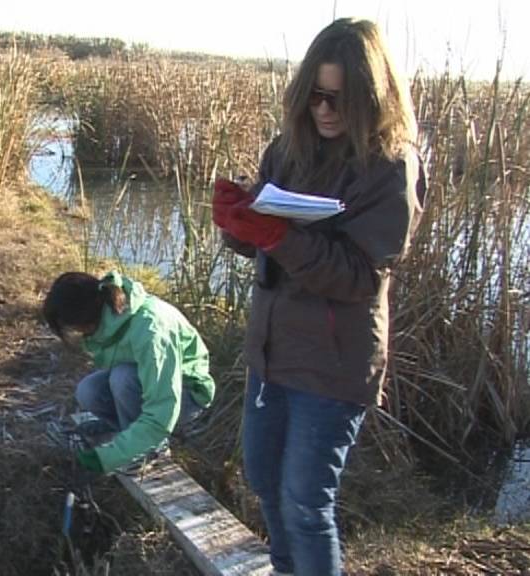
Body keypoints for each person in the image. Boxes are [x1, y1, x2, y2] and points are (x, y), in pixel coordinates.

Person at [212, 18, 426, 576]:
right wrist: (238, 223)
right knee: (264, 482)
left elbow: (359, 276)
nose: (324, 110)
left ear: (371, 97)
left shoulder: (391, 167)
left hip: (334, 364)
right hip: (272, 352)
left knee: (306, 504)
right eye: (314, 96)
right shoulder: (288, 149)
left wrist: (281, 236)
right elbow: (260, 248)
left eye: (339, 99)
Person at [42, 270, 216, 474]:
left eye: (76, 329)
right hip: (146, 385)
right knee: (89, 390)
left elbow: (163, 408)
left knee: (122, 378)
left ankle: (152, 448)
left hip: (185, 396)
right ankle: (127, 433)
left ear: (85, 321)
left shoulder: (151, 331)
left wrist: (109, 457)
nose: (78, 335)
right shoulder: (109, 317)